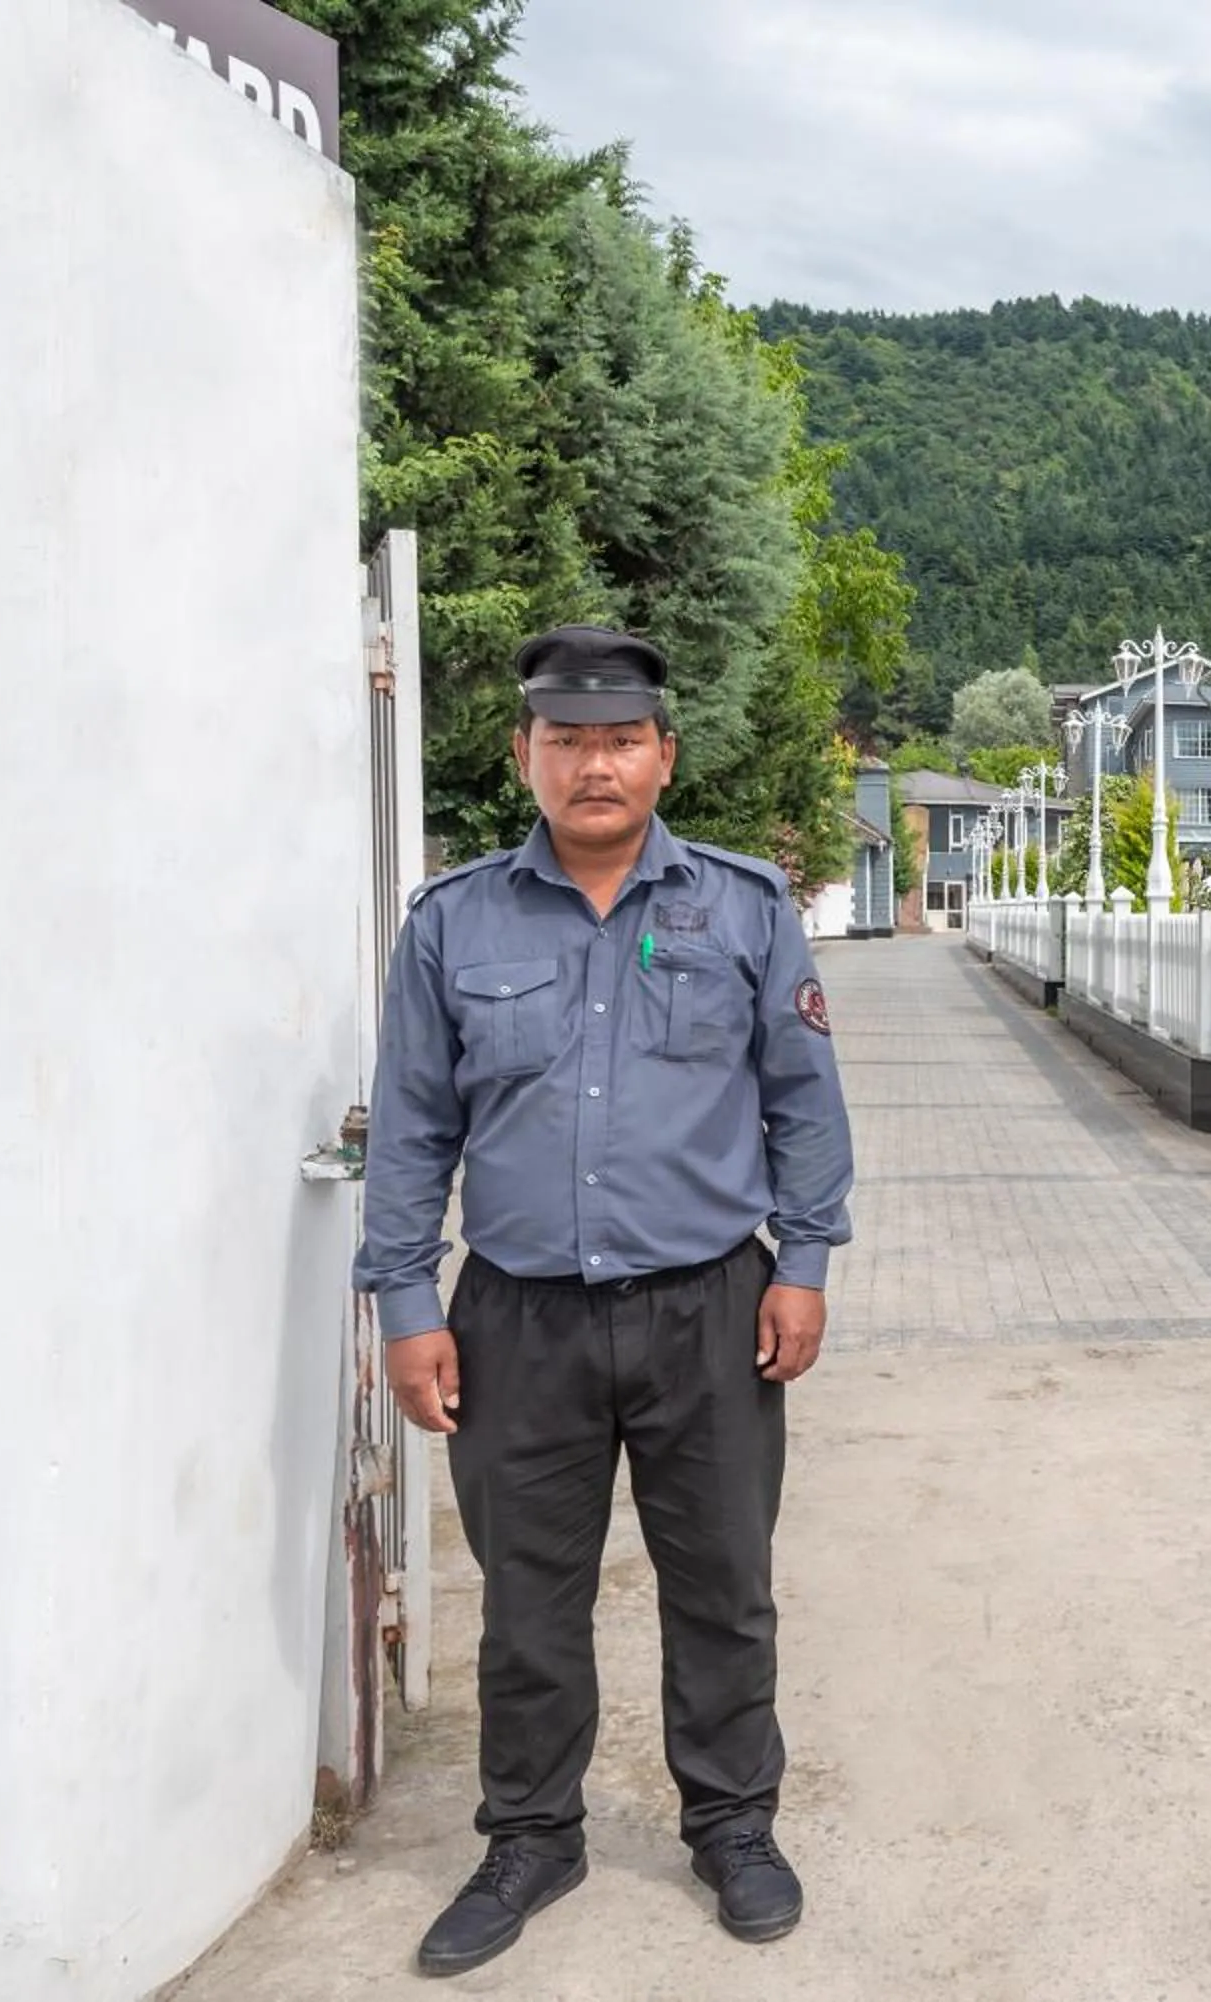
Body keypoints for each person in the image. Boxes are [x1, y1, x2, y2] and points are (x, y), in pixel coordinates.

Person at [354, 625, 856, 1977]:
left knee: (724, 1587)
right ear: (523, 752)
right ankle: (531, 1833)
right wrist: (407, 1297)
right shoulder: (454, 923)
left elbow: (802, 1105)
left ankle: (733, 1821)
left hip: (713, 1310)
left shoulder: (743, 906)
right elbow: (410, 1129)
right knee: (528, 1597)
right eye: (566, 738)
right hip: (519, 1317)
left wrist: (802, 1265)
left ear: (663, 754)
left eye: (620, 737)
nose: (594, 762)